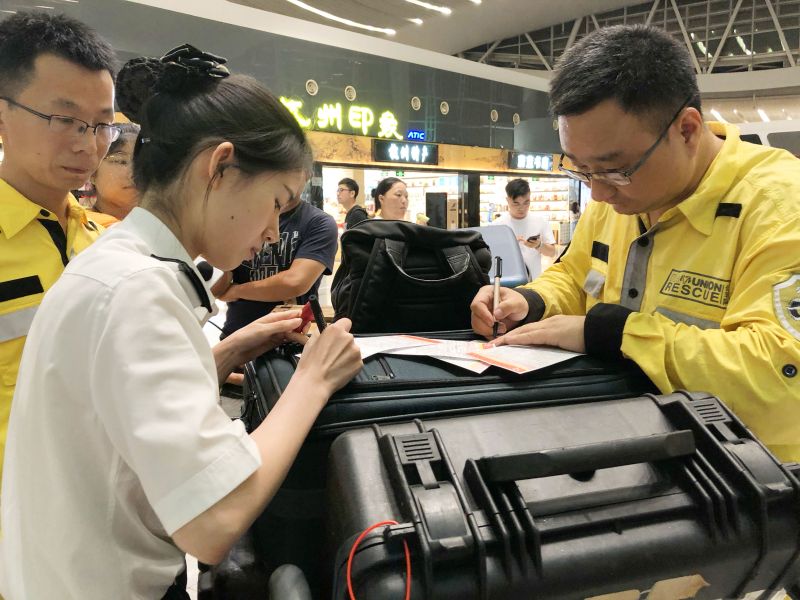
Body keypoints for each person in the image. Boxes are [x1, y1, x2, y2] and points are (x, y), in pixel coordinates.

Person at [2, 45, 362, 598]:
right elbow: (212, 520)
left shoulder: (118, 263)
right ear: (217, 167)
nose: (272, 231)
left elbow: (115, 406)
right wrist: (312, 381)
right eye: (275, 201)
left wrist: (233, 346)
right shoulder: (139, 290)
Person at [470, 24, 800, 462]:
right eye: (581, 171)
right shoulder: (619, 198)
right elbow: (576, 275)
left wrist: (614, 334)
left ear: (686, 129)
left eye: (615, 170)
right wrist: (531, 302)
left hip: (749, 479)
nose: (599, 194)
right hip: (632, 447)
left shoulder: (781, 204)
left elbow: (781, 375)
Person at [0, 11, 116, 495]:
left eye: (102, 124)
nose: (87, 144)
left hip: (106, 512)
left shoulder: (107, 238)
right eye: (64, 119)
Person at [216, 187, 338, 339]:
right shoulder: (240, 218)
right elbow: (218, 288)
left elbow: (294, 283)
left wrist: (237, 291)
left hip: (290, 336)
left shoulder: (318, 222)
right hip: (237, 333)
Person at [491, 178, 556, 281]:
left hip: (533, 283)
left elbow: (552, 253)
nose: (522, 208)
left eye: (526, 202)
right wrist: (508, 245)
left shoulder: (540, 221)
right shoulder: (497, 225)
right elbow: (490, 256)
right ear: (507, 200)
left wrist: (539, 245)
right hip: (506, 282)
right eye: (516, 203)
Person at [86, 121, 141, 226]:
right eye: (121, 161)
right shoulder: (79, 226)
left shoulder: (161, 229)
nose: (135, 172)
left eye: (142, 162)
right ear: (92, 173)